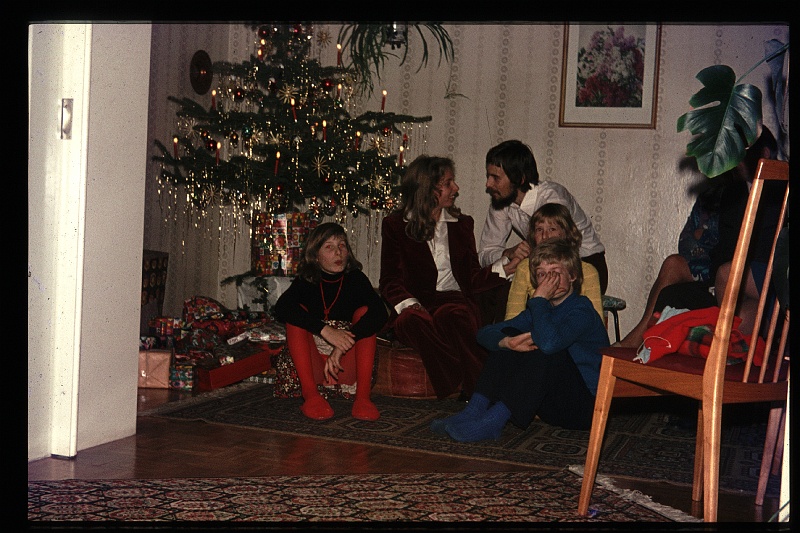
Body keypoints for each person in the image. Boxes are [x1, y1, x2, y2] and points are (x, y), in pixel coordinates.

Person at [430, 239, 610, 442]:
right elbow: (484, 333)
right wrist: (507, 342)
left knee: (547, 347)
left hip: (585, 408)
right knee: (511, 334)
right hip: (548, 406)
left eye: (556, 273)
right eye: (542, 275)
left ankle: (493, 422)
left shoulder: (582, 310)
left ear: (573, 276)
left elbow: (550, 344)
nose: (549, 281)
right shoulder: (539, 310)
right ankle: (474, 410)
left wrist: (539, 300)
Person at [618, 126, 781, 348]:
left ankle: (726, 351)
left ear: (765, 154)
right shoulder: (733, 193)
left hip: (768, 277)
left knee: (728, 276)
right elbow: (722, 246)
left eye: (740, 153)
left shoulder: (781, 190)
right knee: (675, 277)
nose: (733, 161)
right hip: (727, 278)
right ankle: (642, 338)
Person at [379, 155, 509, 401]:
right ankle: (462, 380)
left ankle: (480, 395)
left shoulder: (461, 224)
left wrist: (504, 268)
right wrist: (410, 304)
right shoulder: (395, 225)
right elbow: (389, 280)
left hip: (452, 299)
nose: (456, 189)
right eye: (449, 183)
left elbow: (470, 277)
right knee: (411, 322)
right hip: (414, 302)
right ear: (427, 189)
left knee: (455, 317)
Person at [273, 222, 389, 421]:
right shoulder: (307, 281)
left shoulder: (356, 279)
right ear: (315, 255)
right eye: (329, 247)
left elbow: (380, 314)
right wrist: (325, 330)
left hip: (344, 366)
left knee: (365, 313)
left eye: (342, 246)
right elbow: (281, 308)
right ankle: (310, 396)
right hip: (313, 367)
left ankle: (362, 398)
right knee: (295, 314)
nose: (339, 253)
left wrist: (341, 346)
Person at [478, 139, 608, 294]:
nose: (488, 184)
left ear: (520, 179)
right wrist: (507, 253)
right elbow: (485, 253)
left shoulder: (552, 198)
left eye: (496, 178)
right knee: (488, 289)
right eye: (488, 176)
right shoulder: (501, 199)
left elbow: (554, 252)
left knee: (514, 292)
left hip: (583, 265)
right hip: (541, 265)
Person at [505, 203, 603, 321]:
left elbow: (597, 321)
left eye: (552, 229)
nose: (545, 236)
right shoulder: (525, 267)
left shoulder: (587, 271)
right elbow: (512, 317)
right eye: (539, 229)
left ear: (566, 233)